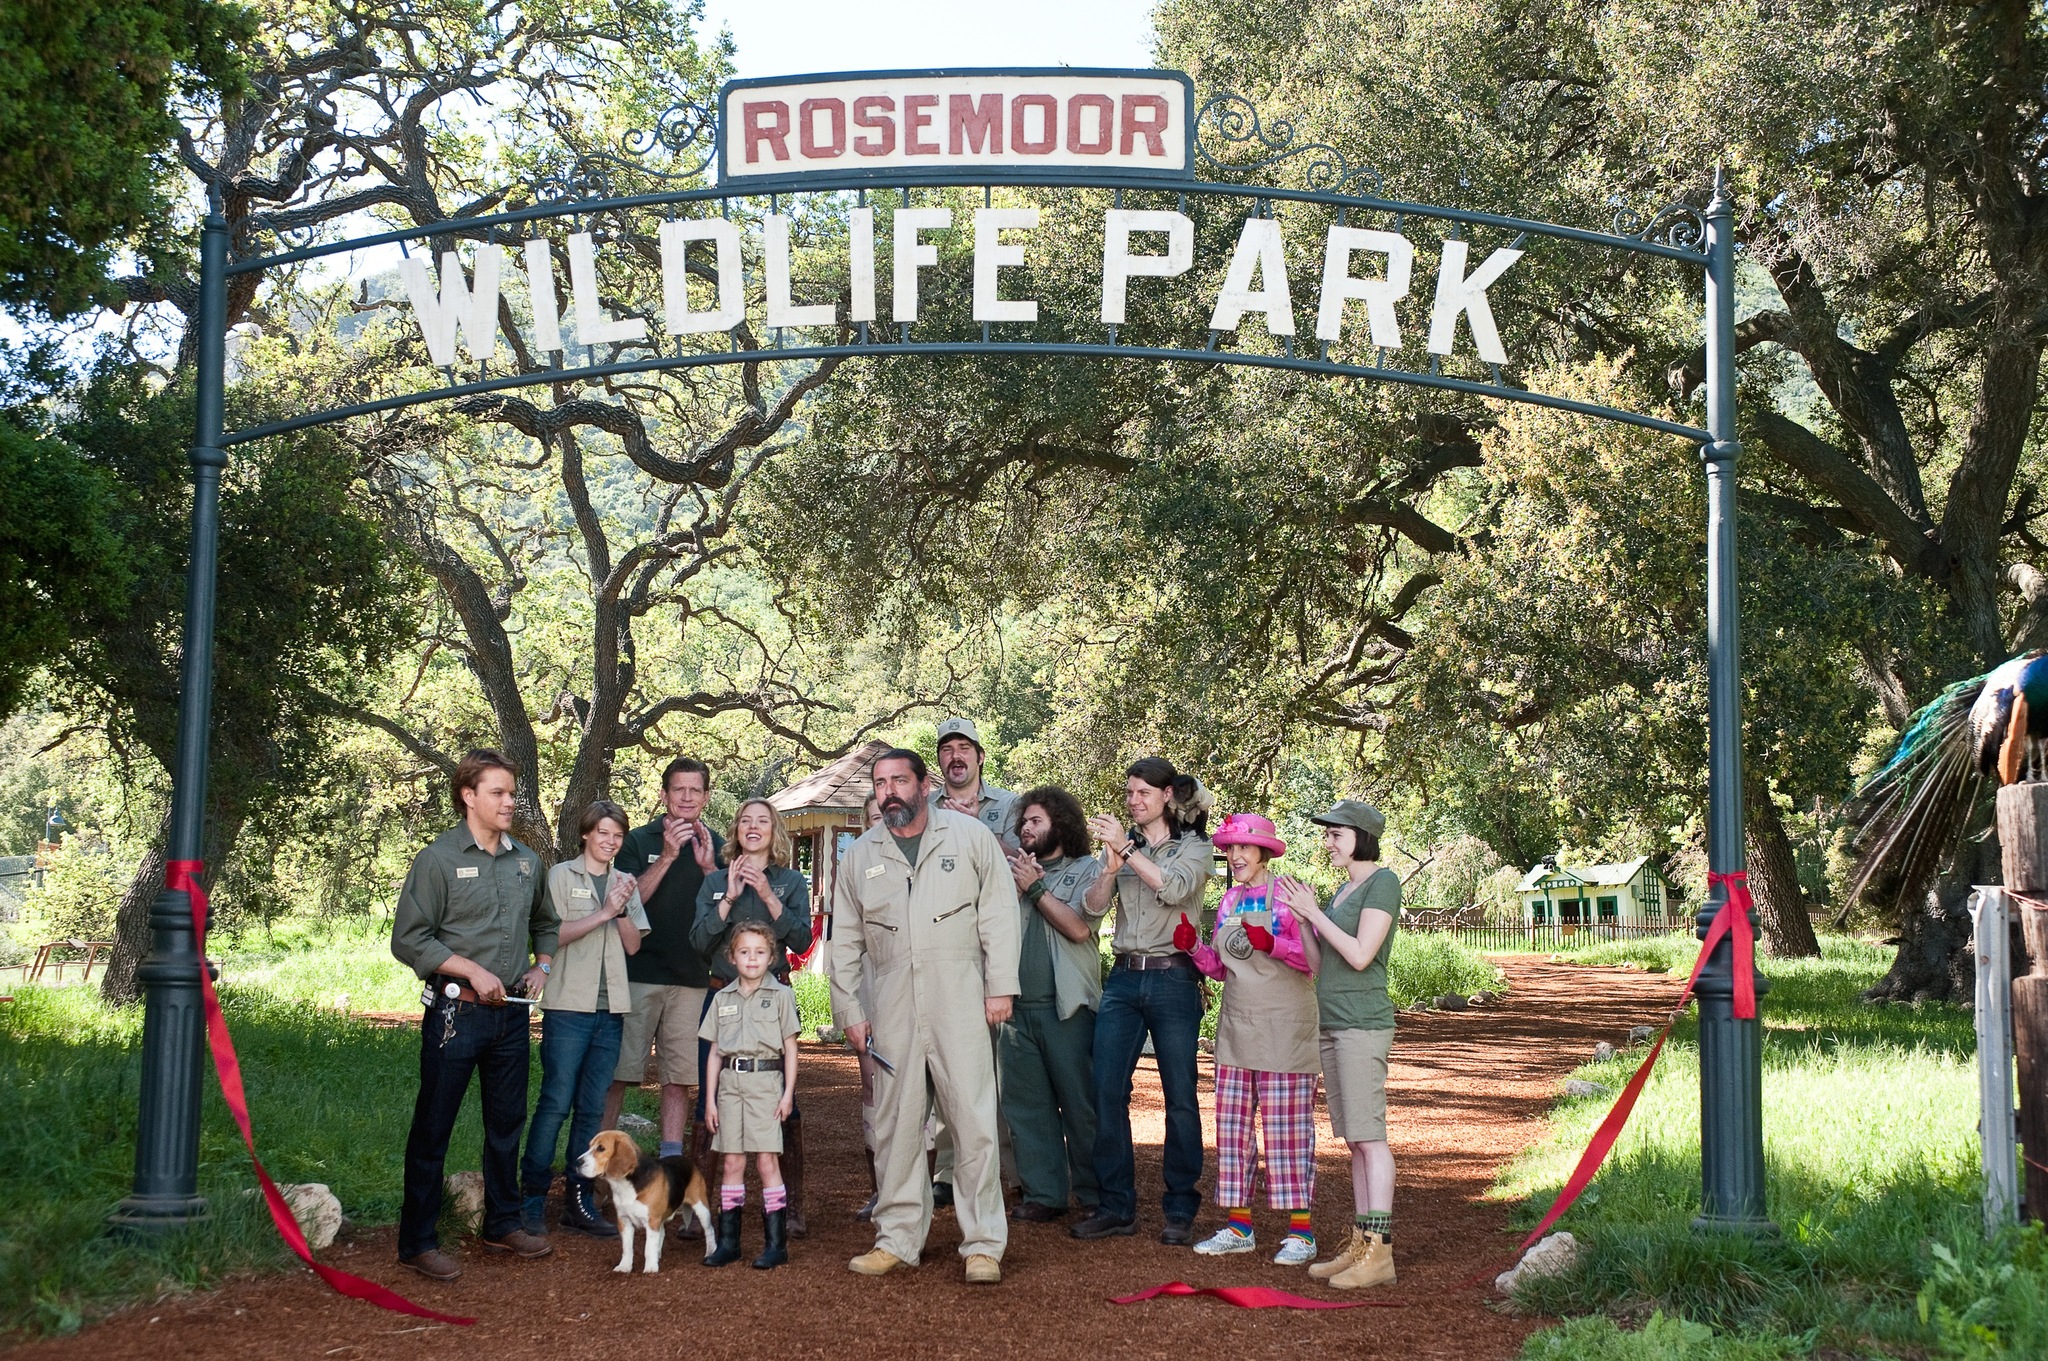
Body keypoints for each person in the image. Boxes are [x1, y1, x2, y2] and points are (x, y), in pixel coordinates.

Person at [829, 748, 1020, 1285]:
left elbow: (1000, 913)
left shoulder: (969, 838)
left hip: (960, 995)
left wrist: (1000, 986)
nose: (890, 790)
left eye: (899, 780)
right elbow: (843, 939)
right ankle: (897, 1238)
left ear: (922, 784)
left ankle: (982, 1243)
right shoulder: (860, 855)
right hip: (891, 1002)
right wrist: (849, 1008)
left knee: (974, 1120)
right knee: (896, 1123)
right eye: (881, 782)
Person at [389, 748, 557, 1280]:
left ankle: (503, 1224)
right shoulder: (436, 859)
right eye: (499, 793)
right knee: (433, 1126)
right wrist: (468, 970)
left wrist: (543, 965)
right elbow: (409, 938)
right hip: (455, 1013)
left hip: (510, 1014)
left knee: (507, 1124)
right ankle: (417, 1240)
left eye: (512, 792)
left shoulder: (528, 861)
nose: (510, 801)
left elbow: (546, 923)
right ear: (469, 796)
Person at [1071, 756, 1214, 1245]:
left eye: (1142, 794)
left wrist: (1127, 852)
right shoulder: (1122, 848)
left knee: (1180, 1097)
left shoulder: (1196, 848)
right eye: (1129, 793)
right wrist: (1110, 868)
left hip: (1175, 979)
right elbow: (1091, 910)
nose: (1133, 801)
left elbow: (1173, 888)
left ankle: (1179, 1209)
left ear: (1167, 795)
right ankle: (1117, 1206)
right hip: (1124, 981)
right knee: (1105, 1091)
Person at [1180, 814, 1322, 1265]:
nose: (1235, 856)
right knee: (1234, 1130)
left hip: (1286, 1028)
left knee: (1287, 1130)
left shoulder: (1290, 894)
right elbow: (1225, 970)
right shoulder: (1227, 903)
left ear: (1264, 852)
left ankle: (1302, 1234)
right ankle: (1240, 1227)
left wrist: (1275, 944)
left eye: (1244, 848)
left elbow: (1315, 962)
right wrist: (1194, 950)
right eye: (1230, 848)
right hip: (1238, 1029)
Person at [1278, 800, 1401, 1288]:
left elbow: (1359, 954)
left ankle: (1381, 1252)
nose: (1328, 842)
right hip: (1333, 1023)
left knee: (1370, 1138)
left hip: (1362, 1023)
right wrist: (1305, 920)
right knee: (1354, 1140)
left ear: (1362, 838)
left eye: (1336, 834)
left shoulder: (1381, 882)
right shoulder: (1341, 891)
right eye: (1326, 834)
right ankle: (1361, 1244)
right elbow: (1318, 962)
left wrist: (1315, 913)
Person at [519, 800, 649, 1239]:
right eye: (603, 833)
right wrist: (604, 912)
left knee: (592, 1111)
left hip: (610, 1010)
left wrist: (624, 907)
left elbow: (633, 946)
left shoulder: (624, 882)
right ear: (586, 835)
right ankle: (532, 1199)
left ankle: (578, 1200)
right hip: (568, 1008)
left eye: (617, 835)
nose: (610, 841)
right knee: (555, 1104)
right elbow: (550, 934)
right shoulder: (561, 876)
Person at [690, 798, 814, 1234]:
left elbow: (801, 939)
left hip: (772, 1000)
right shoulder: (714, 882)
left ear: (774, 830)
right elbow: (699, 943)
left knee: (782, 1099)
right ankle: (700, 1207)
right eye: (746, 820)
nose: (754, 826)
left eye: (763, 820)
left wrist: (764, 893)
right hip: (722, 998)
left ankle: (789, 1208)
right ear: (736, 830)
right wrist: (729, 898)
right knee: (712, 1097)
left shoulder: (790, 881)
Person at [604, 758, 721, 1167]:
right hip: (637, 975)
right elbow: (627, 903)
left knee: (679, 1078)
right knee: (618, 1073)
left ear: (706, 797)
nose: (687, 797)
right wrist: (668, 857)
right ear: (664, 795)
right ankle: (601, 1168)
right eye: (678, 790)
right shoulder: (637, 841)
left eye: (695, 790)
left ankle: (671, 1166)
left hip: (691, 978)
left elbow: (726, 908)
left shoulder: (717, 845)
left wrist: (709, 868)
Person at [999, 785, 1107, 1222]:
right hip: (1014, 1009)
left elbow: (1080, 928)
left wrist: (1035, 889)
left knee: (1080, 1104)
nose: (1027, 828)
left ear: (1060, 825)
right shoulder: (1006, 873)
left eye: (1036, 821)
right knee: (1027, 1106)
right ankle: (1045, 1194)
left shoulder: (1086, 868)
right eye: (1024, 821)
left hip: (1067, 1009)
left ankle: (1097, 1193)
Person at [700, 921, 802, 1269]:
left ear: (772, 957)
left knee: (765, 1161)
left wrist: (788, 1094)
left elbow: (790, 1049)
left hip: (765, 1087)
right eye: (744, 952)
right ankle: (729, 1242)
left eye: (760, 953)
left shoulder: (781, 996)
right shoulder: (722, 998)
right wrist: (710, 1099)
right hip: (730, 1087)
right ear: (732, 957)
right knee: (732, 1162)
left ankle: (776, 1244)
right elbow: (714, 1053)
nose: (752, 959)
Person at [931, 716, 1020, 850]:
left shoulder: (1010, 804)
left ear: (981, 757)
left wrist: (977, 829)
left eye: (964, 748)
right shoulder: (923, 806)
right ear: (939, 759)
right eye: (947, 749)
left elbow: (1020, 864)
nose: (955, 756)